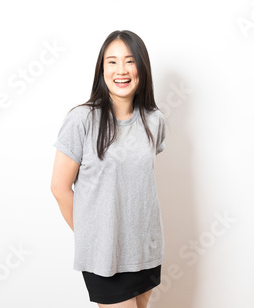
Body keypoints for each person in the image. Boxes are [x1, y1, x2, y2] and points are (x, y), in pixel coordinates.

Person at [50, 30, 168, 307]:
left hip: (146, 252)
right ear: (101, 69)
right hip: (105, 256)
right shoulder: (82, 120)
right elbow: (59, 188)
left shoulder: (154, 120)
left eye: (129, 61)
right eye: (112, 62)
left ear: (141, 67)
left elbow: (137, 185)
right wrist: (93, 237)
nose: (121, 70)